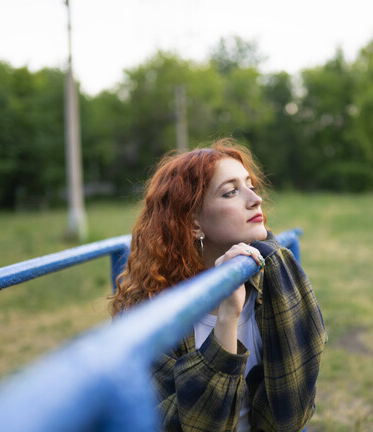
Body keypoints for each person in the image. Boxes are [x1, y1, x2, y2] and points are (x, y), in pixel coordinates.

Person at [108, 138, 327, 432]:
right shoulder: (149, 311)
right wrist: (227, 318)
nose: (255, 199)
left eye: (250, 185)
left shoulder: (277, 270)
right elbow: (182, 425)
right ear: (194, 223)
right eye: (231, 192)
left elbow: (293, 407)